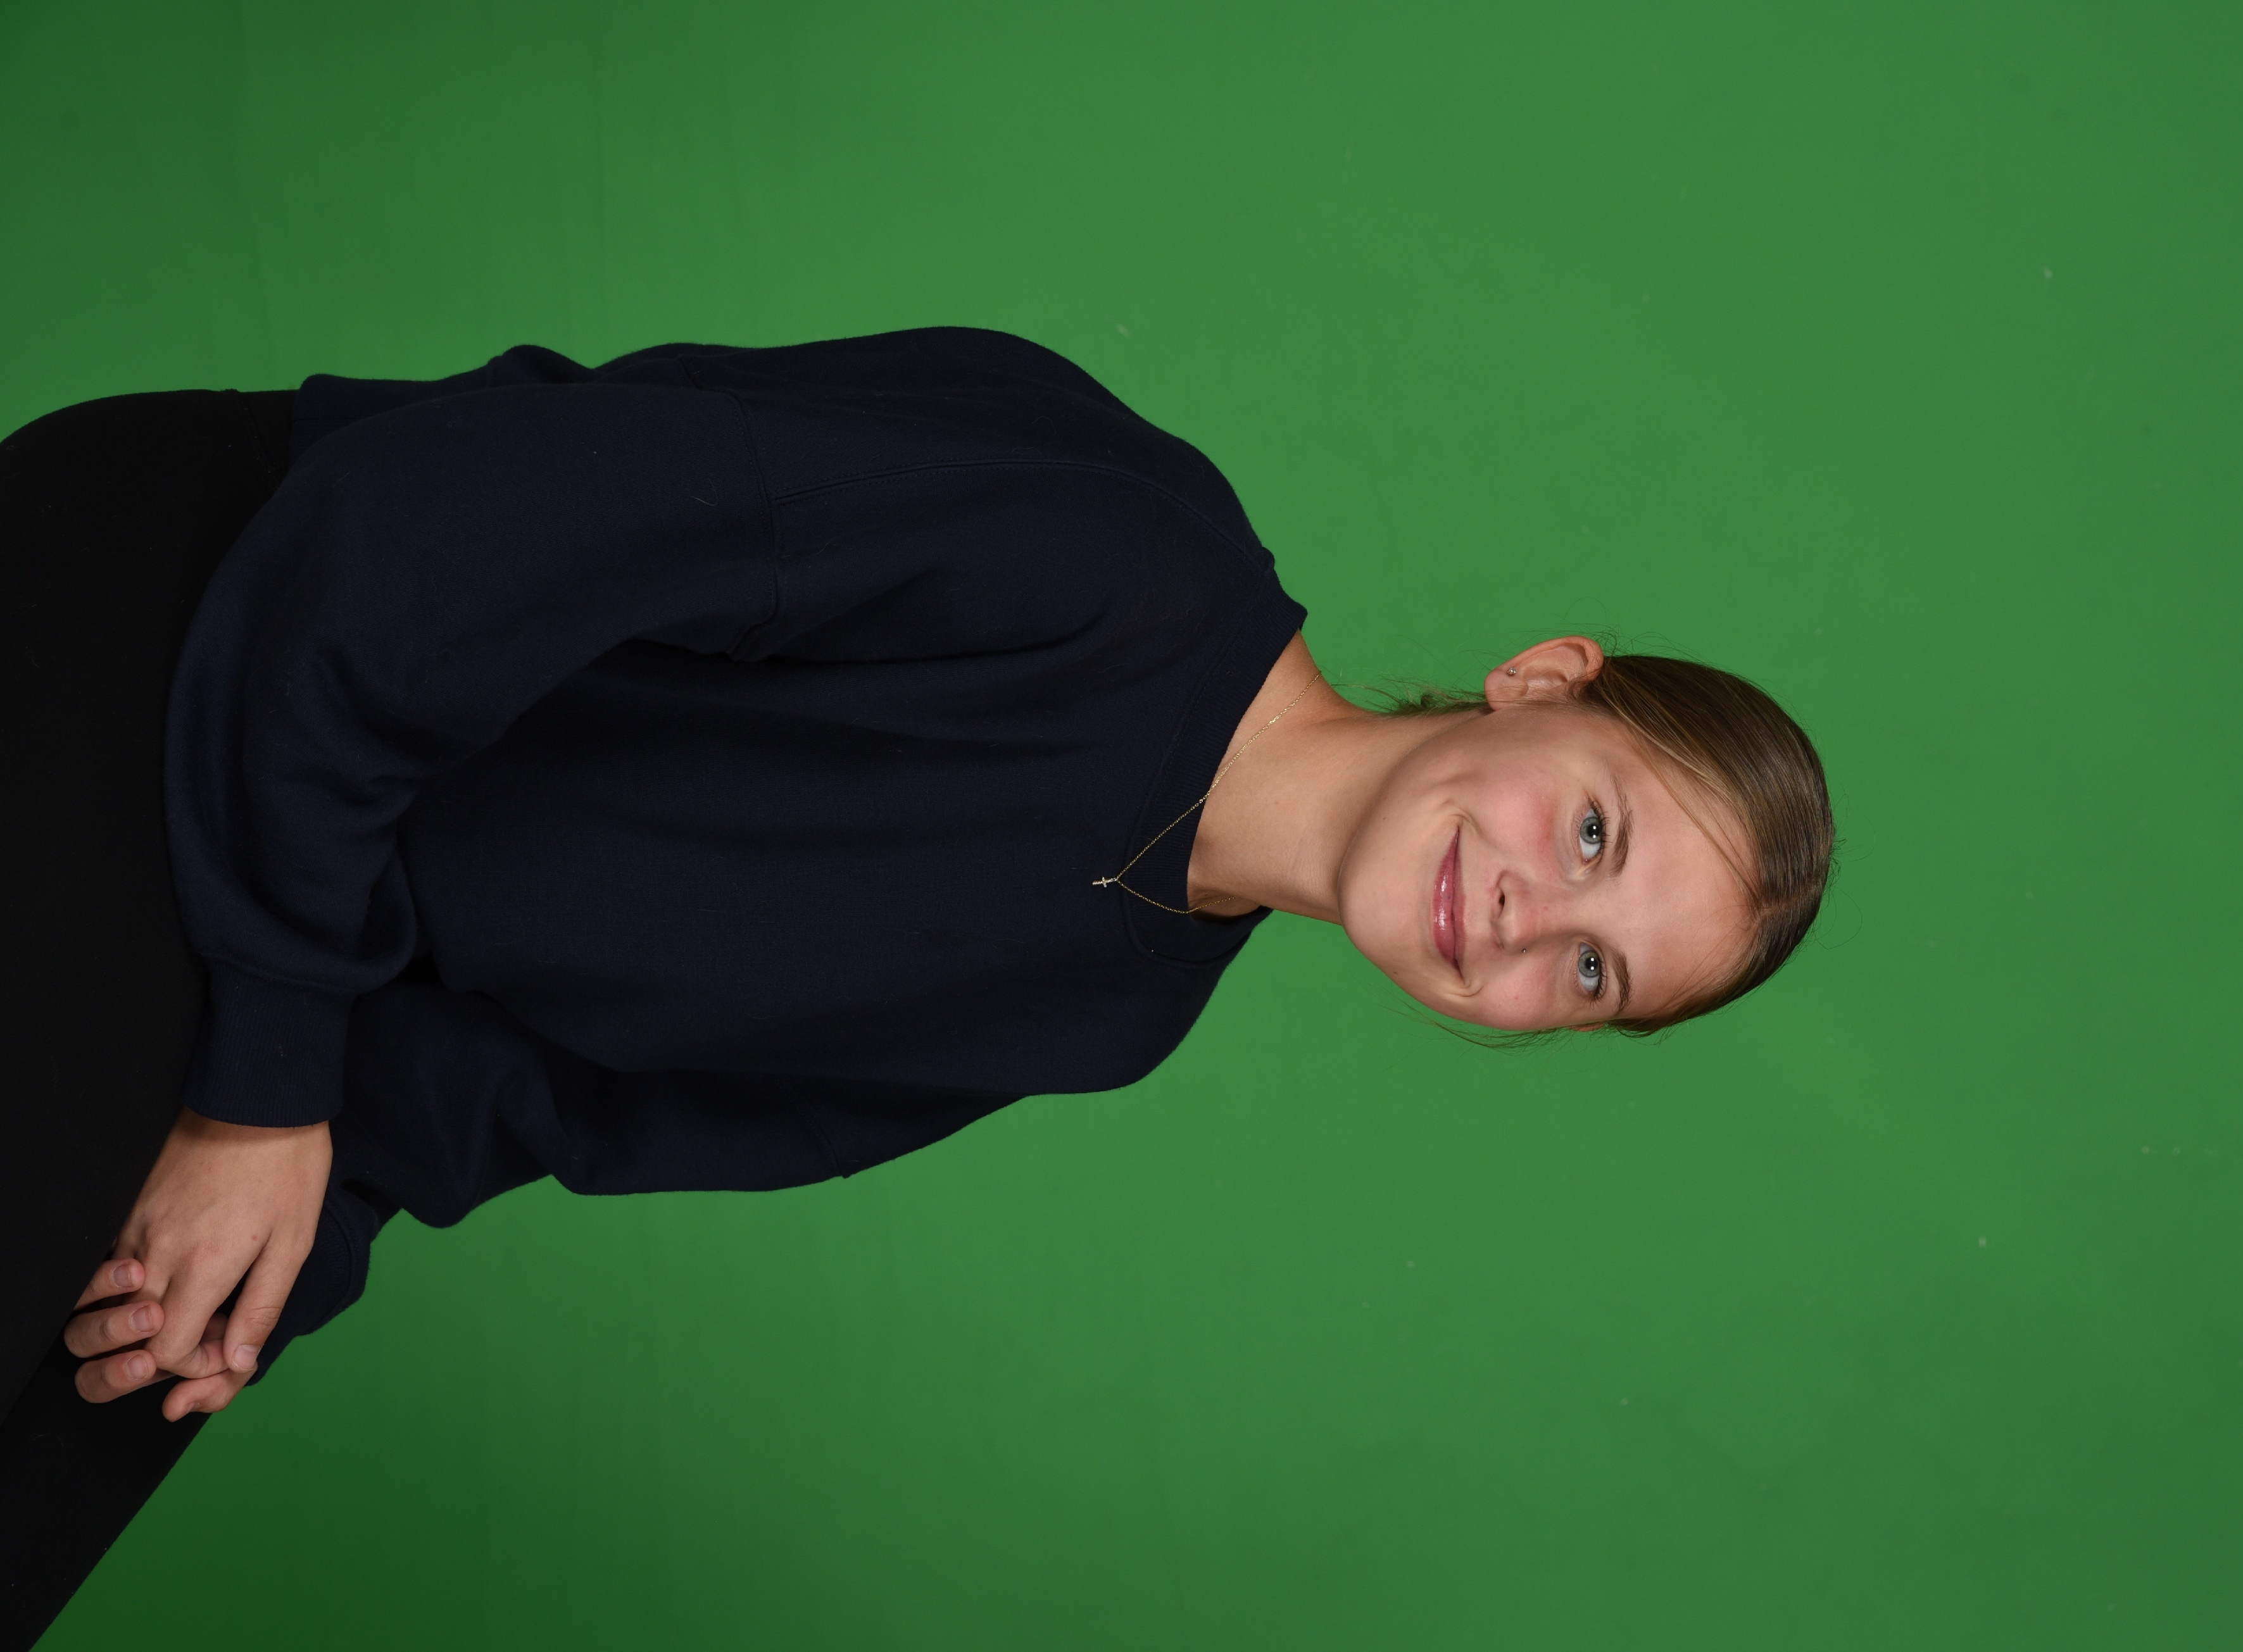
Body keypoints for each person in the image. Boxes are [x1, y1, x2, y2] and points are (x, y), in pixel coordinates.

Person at [0, 328, 1832, 1644]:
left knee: (76, 1436)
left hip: (293, 986)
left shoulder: (1117, 1015)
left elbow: (550, 1098)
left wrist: (269, 1255)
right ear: (1542, 679)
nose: (1520, 919)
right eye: (1593, 831)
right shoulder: (1117, 555)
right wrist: (263, 1086)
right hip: (202, 641)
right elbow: (416, 539)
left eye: (1591, 972)